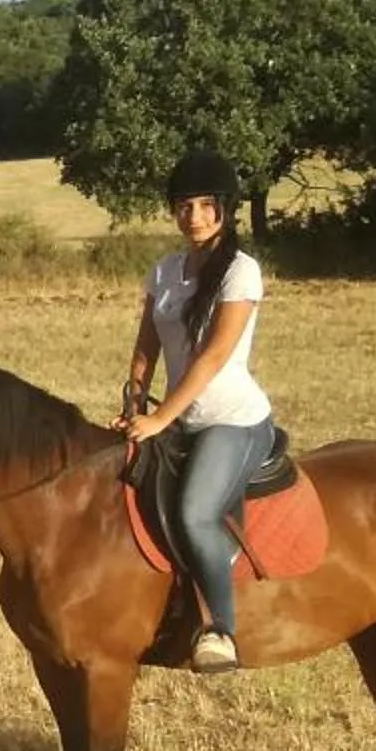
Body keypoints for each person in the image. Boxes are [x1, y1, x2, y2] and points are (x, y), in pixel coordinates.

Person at [113, 147, 274, 672]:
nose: (195, 217)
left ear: (225, 208)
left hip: (234, 421)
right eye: (184, 206)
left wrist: (160, 419)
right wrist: (135, 400)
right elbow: (146, 347)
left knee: (194, 511)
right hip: (178, 416)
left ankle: (220, 632)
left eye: (206, 205)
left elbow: (212, 358)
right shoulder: (163, 272)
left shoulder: (242, 272)